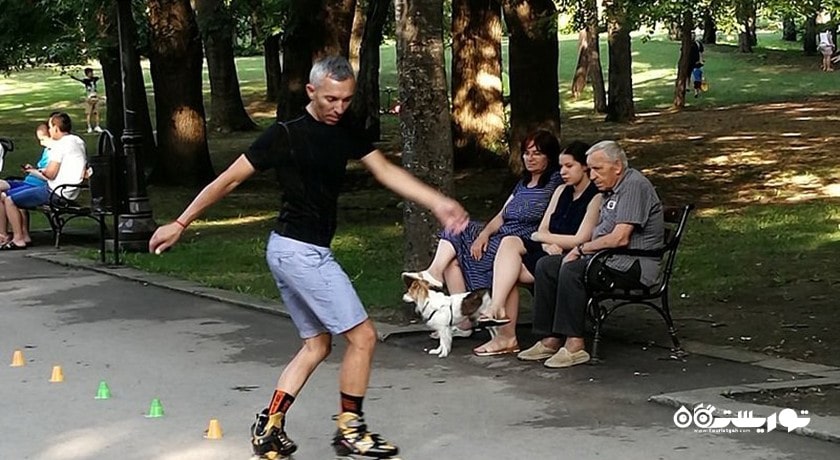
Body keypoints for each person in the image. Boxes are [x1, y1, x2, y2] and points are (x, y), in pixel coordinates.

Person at [147, 56, 468, 460]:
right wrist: (181, 222)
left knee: (317, 345)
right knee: (364, 337)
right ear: (311, 91)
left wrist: (438, 202)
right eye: (331, 98)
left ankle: (269, 426)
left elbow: (385, 171)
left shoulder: (345, 130)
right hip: (299, 252)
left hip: (292, 251)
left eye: (347, 100)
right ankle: (351, 430)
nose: (339, 108)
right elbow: (227, 180)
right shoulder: (284, 135)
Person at [402, 130, 563, 340]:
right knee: (458, 228)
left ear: (549, 156)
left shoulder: (555, 183)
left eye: (537, 153)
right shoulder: (523, 184)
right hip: (502, 235)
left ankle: (441, 285)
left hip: (520, 243)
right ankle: (453, 303)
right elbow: (501, 216)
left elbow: (548, 221)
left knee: (458, 258)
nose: (529, 158)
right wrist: (483, 235)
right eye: (526, 153)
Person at [518, 140, 664, 368]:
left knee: (572, 269)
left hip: (632, 265)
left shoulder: (633, 185)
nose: (592, 175)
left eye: (598, 169)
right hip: (607, 259)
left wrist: (580, 249)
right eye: (590, 169)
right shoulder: (610, 189)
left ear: (617, 166)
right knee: (547, 265)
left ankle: (575, 345)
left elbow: (620, 237)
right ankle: (550, 338)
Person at [472, 140, 601, 356]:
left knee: (509, 274)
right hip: (548, 250)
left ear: (585, 167)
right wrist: (547, 241)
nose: (563, 172)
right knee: (509, 243)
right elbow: (541, 229)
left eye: (569, 166)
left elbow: (581, 238)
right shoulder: (561, 190)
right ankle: (499, 311)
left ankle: (503, 327)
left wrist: (548, 239)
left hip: (569, 254)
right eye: (561, 167)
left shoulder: (595, 196)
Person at [1, 113, 87, 250]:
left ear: (56, 129)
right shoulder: (78, 141)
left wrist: (39, 171)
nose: (50, 130)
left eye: (51, 127)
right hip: (69, 190)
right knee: (12, 196)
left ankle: (18, 239)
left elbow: (50, 174)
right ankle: (19, 236)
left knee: (9, 200)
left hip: (55, 192)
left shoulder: (60, 145)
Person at [0, 123, 52, 245]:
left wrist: (33, 171)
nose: (41, 143)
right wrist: (32, 169)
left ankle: (8, 235)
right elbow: (42, 169)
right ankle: (3, 234)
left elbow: (49, 176)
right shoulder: (47, 150)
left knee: (5, 197)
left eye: (43, 139)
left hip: (37, 186)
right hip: (27, 182)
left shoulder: (56, 153)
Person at [69, 67, 103, 133]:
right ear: (87, 74)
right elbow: (79, 80)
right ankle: (89, 127)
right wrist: (73, 77)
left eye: (92, 73)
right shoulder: (86, 80)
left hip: (95, 97)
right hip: (89, 98)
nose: (92, 74)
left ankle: (97, 126)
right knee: (88, 113)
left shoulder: (94, 79)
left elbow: (100, 77)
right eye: (90, 73)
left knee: (96, 113)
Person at [688, 33, 705, 98]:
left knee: (698, 77)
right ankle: (690, 88)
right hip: (689, 63)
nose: (692, 37)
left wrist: (701, 60)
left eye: (693, 35)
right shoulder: (687, 44)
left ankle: (697, 90)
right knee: (691, 76)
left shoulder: (698, 44)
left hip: (697, 63)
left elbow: (701, 52)